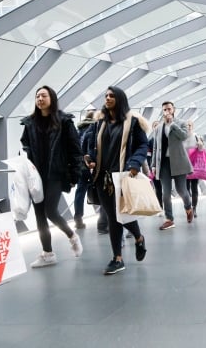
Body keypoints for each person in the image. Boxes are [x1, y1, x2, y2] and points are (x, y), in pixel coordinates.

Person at [84, 86, 149, 275]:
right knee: (113, 216)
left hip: (122, 175)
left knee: (119, 215)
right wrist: (89, 157)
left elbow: (142, 144)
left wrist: (135, 163)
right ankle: (122, 254)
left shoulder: (132, 122)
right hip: (102, 177)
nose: (108, 98)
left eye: (112, 96)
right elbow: (89, 145)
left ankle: (129, 247)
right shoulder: (99, 123)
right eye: (105, 95)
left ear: (120, 99)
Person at [20, 86, 84, 268]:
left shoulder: (64, 121)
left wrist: (75, 174)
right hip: (35, 175)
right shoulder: (30, 123)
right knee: (39, 215)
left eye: (44, 95)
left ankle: (72, 236)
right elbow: (25, 145)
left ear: (52, 98)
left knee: (50, 211)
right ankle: (48, 253)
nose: (40, 99)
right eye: (37, 96)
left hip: (56, 173)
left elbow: (75, 150)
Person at [151, 101, 194, 230]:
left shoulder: (180, 123)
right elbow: (155, 147)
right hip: (163, 163)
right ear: (162, 111)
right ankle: (169, 219)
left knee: (181, 190)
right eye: (165, 109)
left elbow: (184, 136)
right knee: (165, 192)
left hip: (179, 162)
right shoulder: (158, 128)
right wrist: (153, 164)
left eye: (169, 109)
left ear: (173, 109)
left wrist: (173, 124)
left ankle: (188, 207)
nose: (167, 111)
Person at [72, 110, 96, 229]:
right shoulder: (95, 128)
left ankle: (78, 217)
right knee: (102, 189)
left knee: (80, 191)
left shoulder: (79, 129)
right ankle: (104, 219)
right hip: (92, 163)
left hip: (80, 165)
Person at [185, 132, 205, 218]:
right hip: (185, 166)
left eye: (190, 125)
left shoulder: (197, 137)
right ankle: (188, 207)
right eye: (187, 125)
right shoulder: (183, 138)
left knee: (194, 188)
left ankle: (194, 208)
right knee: (186, 189)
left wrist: (200, 143)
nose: (188, 127)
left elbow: (201, 149)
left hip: (195, 167)